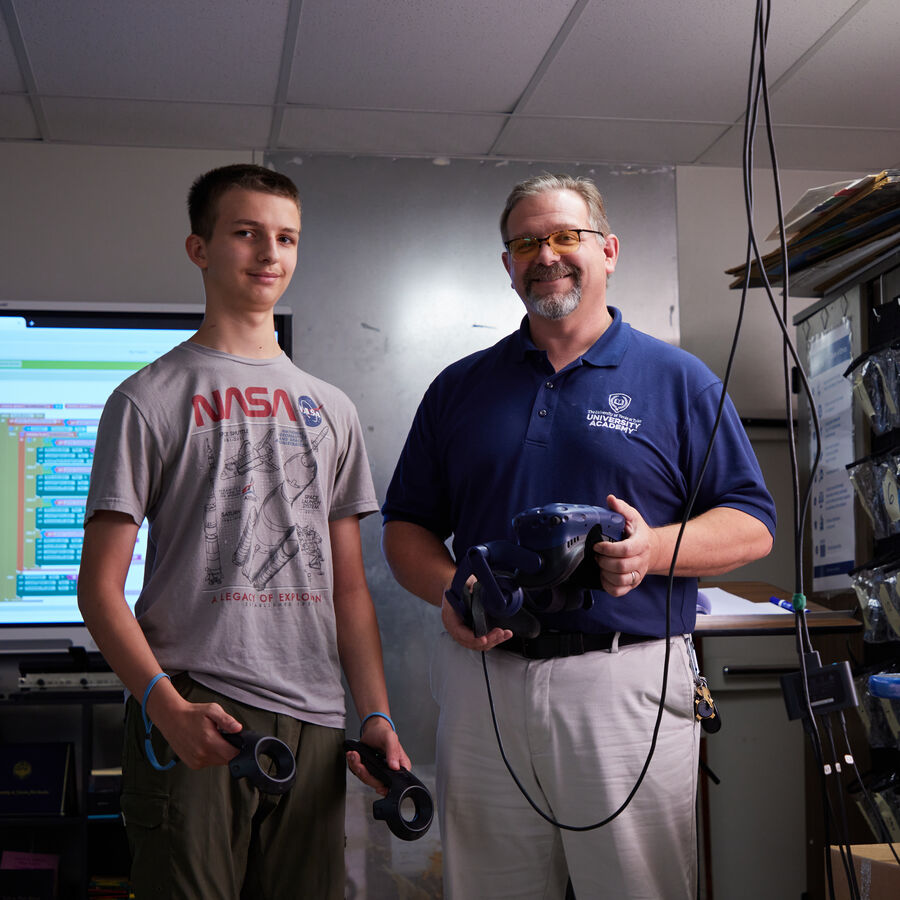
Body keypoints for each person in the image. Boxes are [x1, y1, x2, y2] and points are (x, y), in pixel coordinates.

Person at [381, 173, 775, 899]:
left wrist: (652, 550)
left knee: (636, 888)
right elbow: (405, 527)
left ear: (609, 251)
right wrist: (453, 589)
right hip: (484, 683)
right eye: (526, 241)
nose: (546, 255)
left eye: (566, 236)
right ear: (507, 264)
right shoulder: (459, 389)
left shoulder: (679, 380)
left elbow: (752, 524)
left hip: (624, 680)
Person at [77, 163, 408, 899]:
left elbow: (349, 589)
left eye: (286, 237)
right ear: (200, 249)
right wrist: (166, 708)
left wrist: (376, 712)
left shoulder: (333, 409)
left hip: (314, 721)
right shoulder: (146, 399)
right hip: (199, 705)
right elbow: (99, 589)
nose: (269, 253)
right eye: (247, 233)